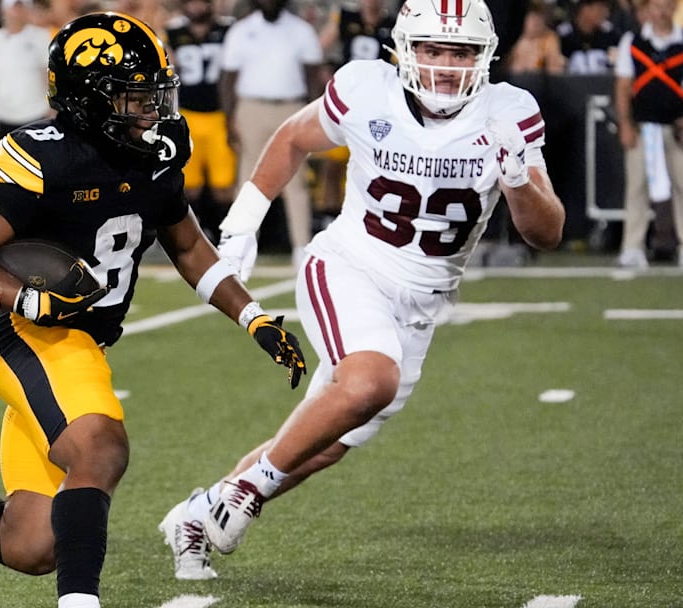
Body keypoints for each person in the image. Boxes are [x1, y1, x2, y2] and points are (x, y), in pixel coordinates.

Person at [0, 12, 307, 608]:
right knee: (100, 447)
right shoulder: (48, 157)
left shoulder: (151, 156)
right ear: (87, 101)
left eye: (153, 91)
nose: (151, 106)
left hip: (79, 344)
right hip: (33, 335)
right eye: (133, 95)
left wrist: (253, 316)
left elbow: (187, 246)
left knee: (30, 545)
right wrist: (26, 295)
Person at [159, 0, 565, 581]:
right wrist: (244, 221)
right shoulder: (365, 89)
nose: (446, 65)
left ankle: (202, 512)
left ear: (484, 58)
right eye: (431, 49)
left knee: (324, 441)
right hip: (350, 265)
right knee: (372, 379)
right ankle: (244, 492)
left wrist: (518, 177)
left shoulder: (509, 112)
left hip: (424, 303)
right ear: (405, 50)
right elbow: (293, 137)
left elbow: (546, 233)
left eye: (461, 52)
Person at [219, 0, 323, 266]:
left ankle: (301, 246)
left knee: (295, 180)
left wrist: (315, 116)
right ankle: (239, 245)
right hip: (251, 107)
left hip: (291, 107)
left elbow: (313, 77)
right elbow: (229, 78)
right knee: (248, 179)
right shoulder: (241, 31)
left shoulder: (301, 30)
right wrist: (228, 118)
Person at [614, 0, 683, 268]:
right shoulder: (632, 42)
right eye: (657, 5)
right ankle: (632, 247)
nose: (662, 11)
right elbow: (623, 87)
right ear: (648, 9)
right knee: (637, 188)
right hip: (644, 129)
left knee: (682, 186)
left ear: (674, 7)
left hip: (677, 128)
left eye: (667, 5)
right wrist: (626, 124)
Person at [164, 0, 237, 242]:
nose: (197, 7)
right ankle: (196, 236)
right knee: (189, 185)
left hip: (218, 115)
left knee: (224, 187)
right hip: (187, 114)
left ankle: (222, 237)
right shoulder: (172, 31)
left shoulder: (228, 29)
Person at [0, 0, 51, 196]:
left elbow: (48, 77)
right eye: (15, 5)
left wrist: (52, 112)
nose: (18, 10)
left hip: (34, 117)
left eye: (22, 5)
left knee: (35, 178)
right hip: (2, 117)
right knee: (0, 180)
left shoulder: (41, 36)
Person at [557, 0, 621, 74]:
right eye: (600, 9)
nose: (606, 13)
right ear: (585, 8)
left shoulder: (610, 35)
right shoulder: (564, 36)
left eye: (606, 8)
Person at [508, 0, 567, 74]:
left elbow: (555, 69)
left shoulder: (550, 38)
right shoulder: (514, 38)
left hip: (542, 82)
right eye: (532, 17)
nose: (536, 22)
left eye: (539, 17)